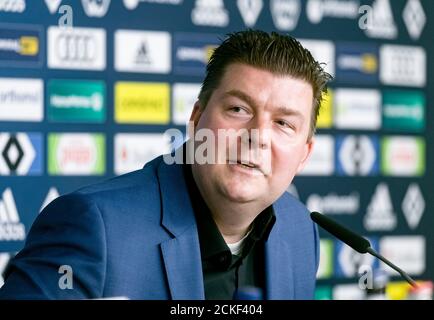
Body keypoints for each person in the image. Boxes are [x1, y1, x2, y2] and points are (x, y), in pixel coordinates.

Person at [0, 30, 331, 300]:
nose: (257, 136)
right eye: (238, 110)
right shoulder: (93, 226)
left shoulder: (300, 230)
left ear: (304, 153)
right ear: (197, 119)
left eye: (284, 124)